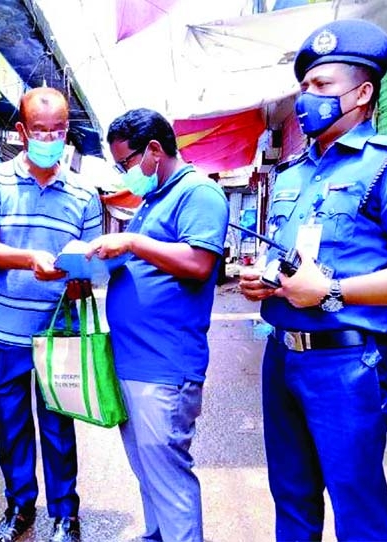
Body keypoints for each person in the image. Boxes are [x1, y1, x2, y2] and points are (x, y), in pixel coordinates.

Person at [239, 19, 387, 542]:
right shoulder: (290, 173)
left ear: (363, 92)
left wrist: (332, 290)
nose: (307, 97)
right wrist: (266, 282)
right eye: (304, 87)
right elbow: (292, 258)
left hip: (346, 362)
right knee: (290, 496)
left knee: (356, 503)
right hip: (281, 355)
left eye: (322, 87)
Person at [0, 87, 102, 542]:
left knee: (59, 428)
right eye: (40, 130)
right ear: (22, 131)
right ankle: (19, 507)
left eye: (59, 131)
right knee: (11, 427)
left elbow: (90, 263)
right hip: (5, 333)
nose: (49, 138)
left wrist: (82, 276)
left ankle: (66, 515)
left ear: (68, 134)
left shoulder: (85, 193)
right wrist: (30, 259)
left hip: (59, 333)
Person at [88, 108, 229, 542]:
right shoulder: (153, 200)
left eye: (125, 163)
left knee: (168, 473)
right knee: (147, 470)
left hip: (164, 365)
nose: (124, 174)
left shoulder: (198, 193)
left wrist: (131, 240)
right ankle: (157, 535)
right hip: (134, 361)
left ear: (153, 150)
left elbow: (199, 263)